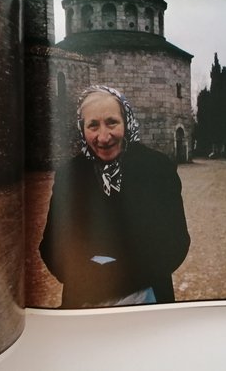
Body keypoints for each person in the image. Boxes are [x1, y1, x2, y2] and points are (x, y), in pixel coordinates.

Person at [39, 85, 191, 308]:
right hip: (84, 302)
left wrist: (114, 279)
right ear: (82, 128)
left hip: (148, 302)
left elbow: (176, 242)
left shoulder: (158, 168)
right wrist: (88, 279)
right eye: (93, 125)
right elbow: (51, 247)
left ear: (126, 122)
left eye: (112, 122)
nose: (103, 137)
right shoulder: (69, 174)